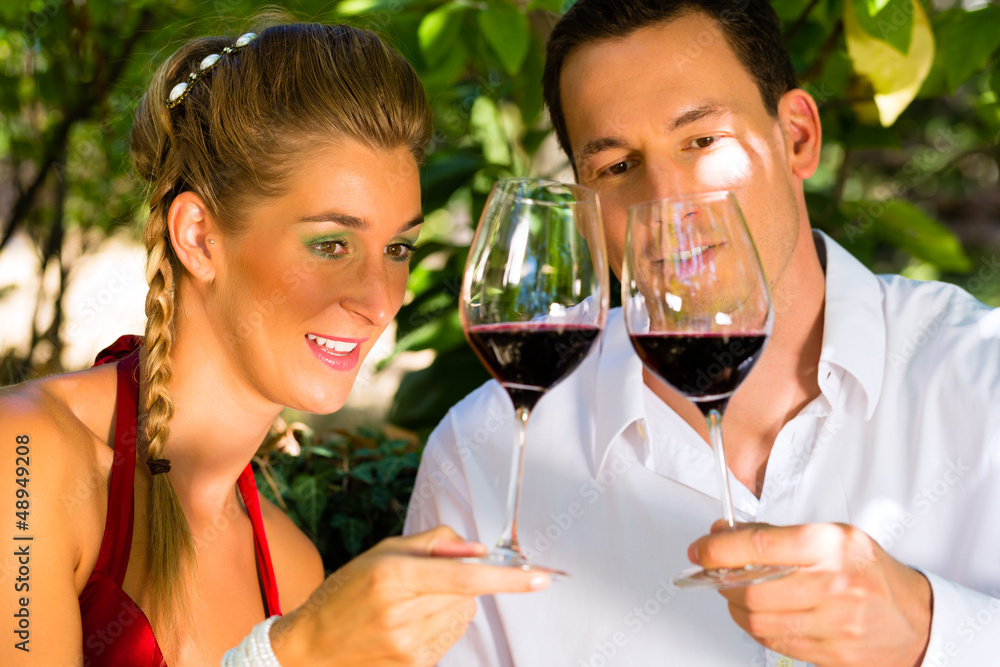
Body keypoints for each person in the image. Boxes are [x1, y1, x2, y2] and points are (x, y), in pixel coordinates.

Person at [404, 1, 1000, 665]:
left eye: (701, 141)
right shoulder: (481, 456)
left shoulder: (983, 377)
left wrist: (931, 629)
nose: (666, 203)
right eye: (618, 167)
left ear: (798, 136)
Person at [0, 21, 550, 667]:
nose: (379, 300)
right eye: (330, 244)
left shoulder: (291, 566)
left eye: (397, 248)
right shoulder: (24, 458)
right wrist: (296, 652)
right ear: (200, 236)